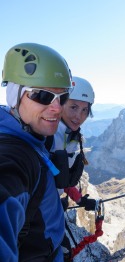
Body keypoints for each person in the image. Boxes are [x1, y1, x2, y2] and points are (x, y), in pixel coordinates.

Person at [0, 42, 74, 261]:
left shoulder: (35, 137)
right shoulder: (14, 153)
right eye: (42, 96)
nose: (57, 107)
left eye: (63, 97)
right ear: (14, 96)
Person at [46, 76, 97, 261]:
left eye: (85, 110)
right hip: (39, 211)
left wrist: (79, 199)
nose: (79, 116)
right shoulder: (49, 134)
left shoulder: (71, 135)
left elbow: (61, 176)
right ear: (60, 104)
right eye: (73, 107)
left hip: (50, 206)